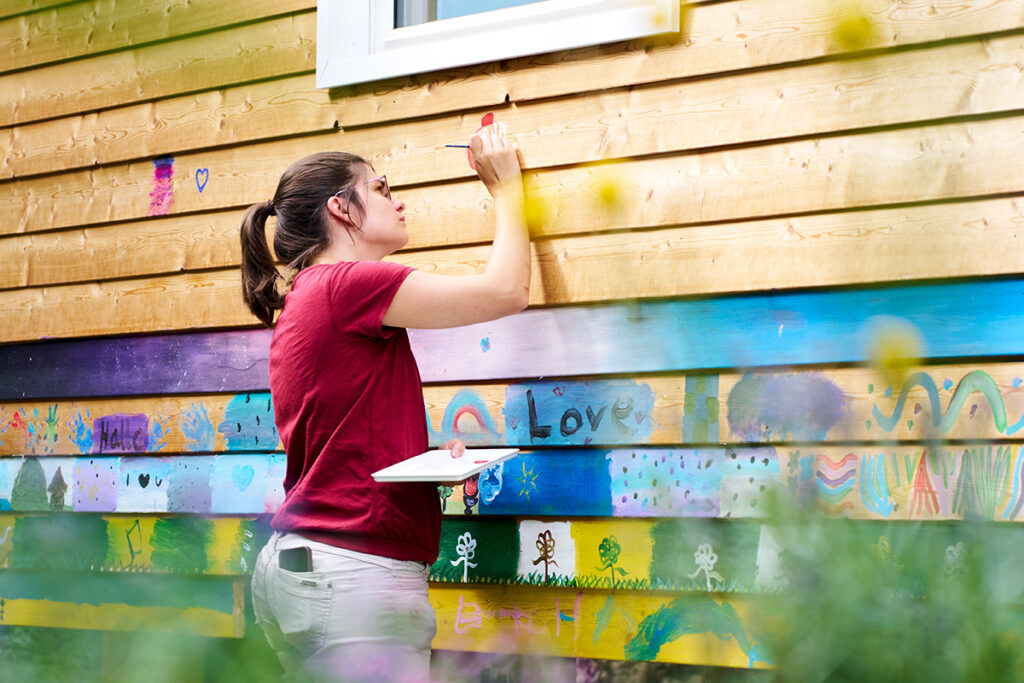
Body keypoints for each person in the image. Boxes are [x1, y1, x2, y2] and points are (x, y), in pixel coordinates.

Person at [239, 122, 529, 682]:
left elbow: (343, 441)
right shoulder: (348, 285)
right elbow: (507, 290)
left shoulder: (309, 298)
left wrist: (421, 463)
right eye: (381, 189)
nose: (398, 202)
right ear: (341, 210)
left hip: (308, 567)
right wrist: (508, 188)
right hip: (353, 577)